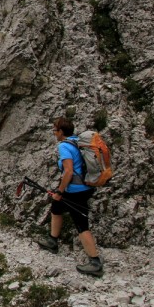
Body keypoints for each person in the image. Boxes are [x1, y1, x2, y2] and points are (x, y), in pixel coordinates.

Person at [36, 117, 103, 276]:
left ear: (61, 132)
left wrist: (59, 191)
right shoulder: (76, 141)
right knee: (56, 208)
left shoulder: (64, 147)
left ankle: (95, 262)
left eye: (55, 130)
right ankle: (52, 240)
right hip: (84, 186)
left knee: (81, 224)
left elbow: (68, 171)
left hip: (76, 190)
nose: (54, 133)